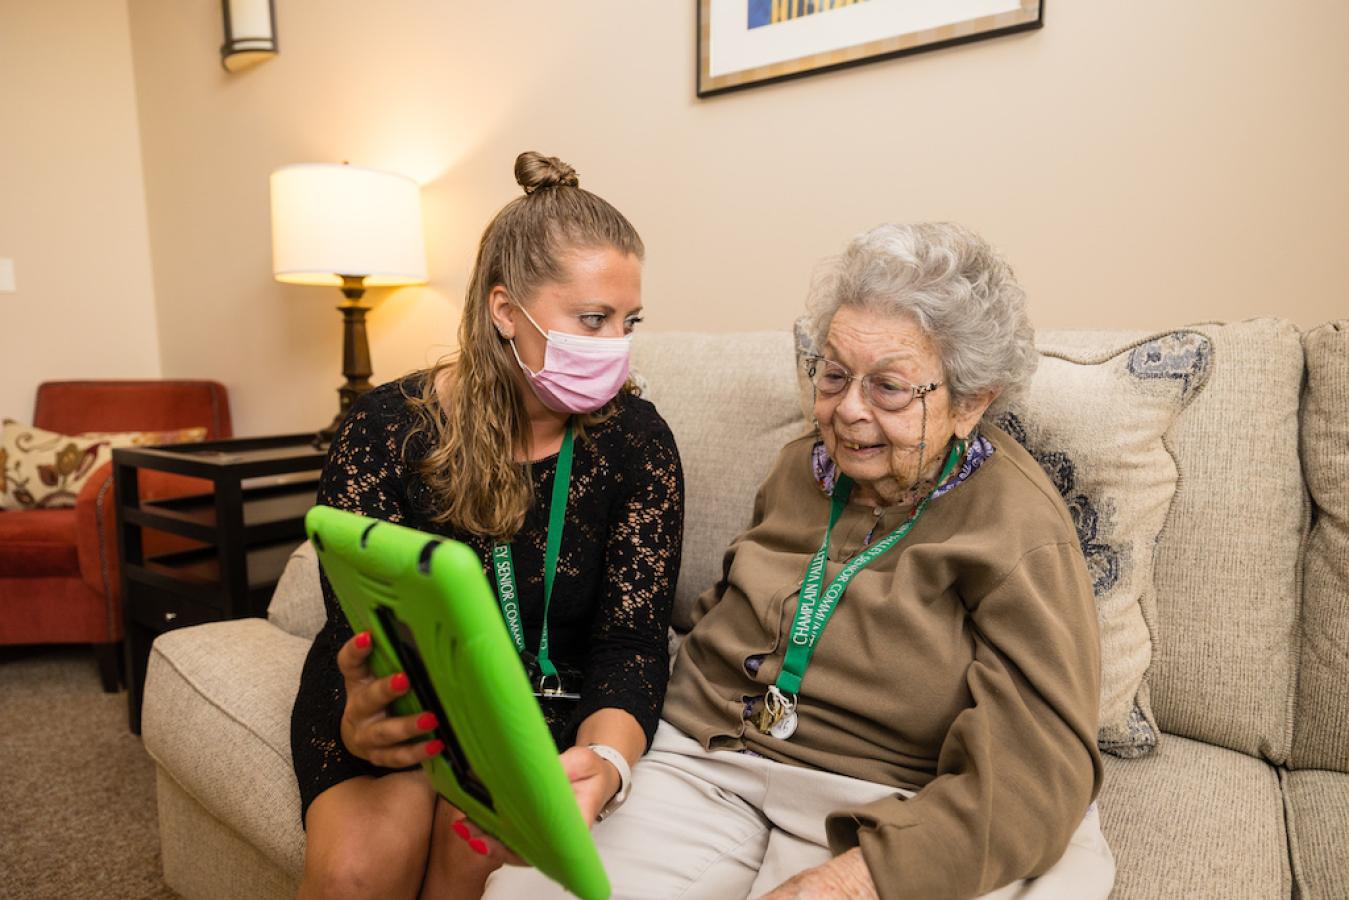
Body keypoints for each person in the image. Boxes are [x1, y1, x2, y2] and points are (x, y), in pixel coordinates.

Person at [483, 222, 1115, 899]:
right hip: (706, 756)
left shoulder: (1016, 525)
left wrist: (856, 880)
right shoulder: (800, 468)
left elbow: (1038, 768)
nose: (846, 411)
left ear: (970, 401)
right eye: (834, 375)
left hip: (882, 798)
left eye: (889, 388)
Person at [291, 151, 684, 899]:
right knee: (355, 876)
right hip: (401, 696)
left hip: (546, 705)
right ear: (506, 311)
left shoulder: (636, 441)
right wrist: (362, 719)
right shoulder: (383, 429)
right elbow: (360, 625)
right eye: (591, 320)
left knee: (472, 861)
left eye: (628, 322)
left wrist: (608, 762)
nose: (613, 346)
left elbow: (632, 642)